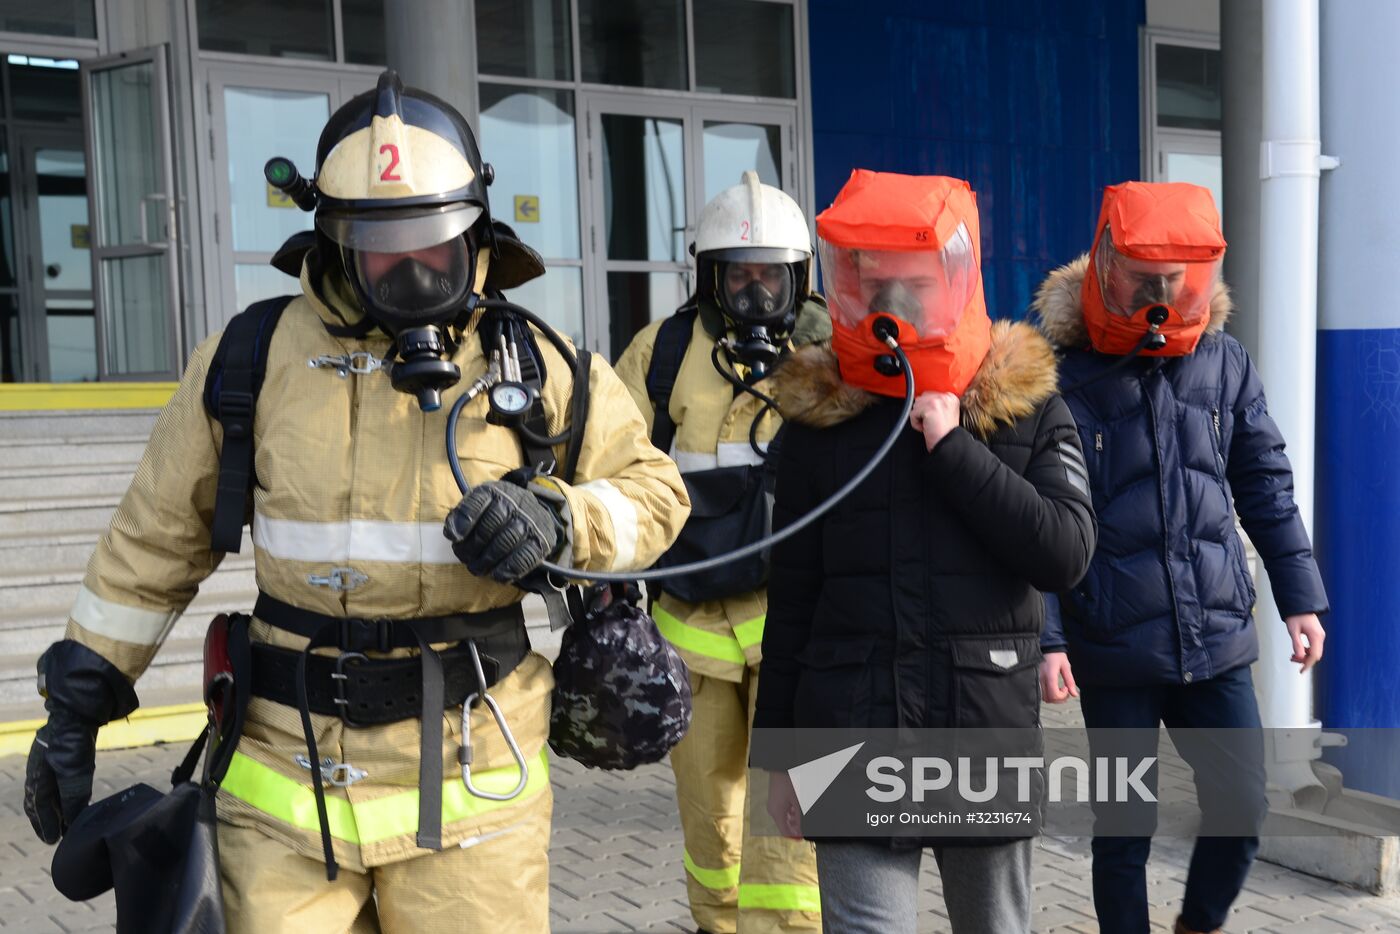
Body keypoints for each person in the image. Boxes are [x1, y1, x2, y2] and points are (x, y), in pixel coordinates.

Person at [22, 69, 689, 933]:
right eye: (384, 248)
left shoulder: (539, 364)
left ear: (476, 232)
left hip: (475, 787)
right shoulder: (250, 358)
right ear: (334, 243)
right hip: (283, 795)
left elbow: (656, 496)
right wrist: (78, 705)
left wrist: (563, 517)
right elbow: (154, 541)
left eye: (434, 243)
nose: (413, 268)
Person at [754, 169, 1097, 934]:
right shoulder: (820, 423)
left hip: (982, 733)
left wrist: (953, 448)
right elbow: (795, 599)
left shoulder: (1026, 404)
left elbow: (1065, 554)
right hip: (850, 730)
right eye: (875, 284)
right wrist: (776, 758)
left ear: (957, 281)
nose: (894, 306)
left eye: (914, 283)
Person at [1032, 180, 1329, 934]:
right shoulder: (1059, 374)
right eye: (1144, 277)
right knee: (1124, 830)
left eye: (1176, 279)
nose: (1161, 292)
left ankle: (1199, 923)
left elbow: (1264, 482)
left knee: (1244, 805)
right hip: (1111, 642)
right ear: (1107, 267)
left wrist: (1300, 595)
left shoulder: (1223, 361)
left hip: (1216, 636)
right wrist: (1051, 637)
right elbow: (1037, 518)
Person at [614, 171, 828, 934]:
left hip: (798, 631)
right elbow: (611, 468)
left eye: (773, 276)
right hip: (691, 631)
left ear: (799, 277)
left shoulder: (832, 354)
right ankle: (716, 925)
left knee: (795, 818)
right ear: (710, 276)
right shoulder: (662, 352)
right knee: (711, 819)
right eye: (740, 275)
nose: (757, 292)